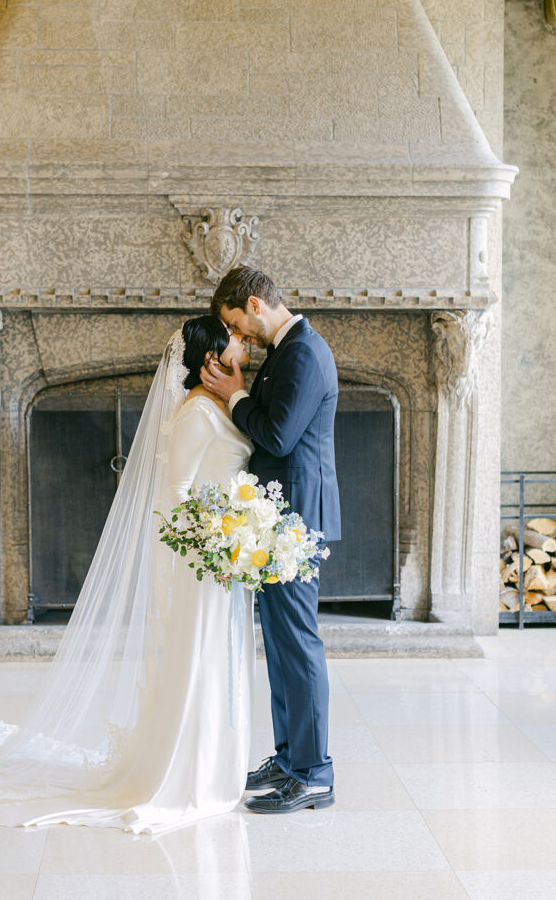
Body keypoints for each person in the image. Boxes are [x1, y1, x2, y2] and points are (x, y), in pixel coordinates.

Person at [0, 316, 256, 835]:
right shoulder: (198, 411)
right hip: (204, 561)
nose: (244, 344)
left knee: (211, 661)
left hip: (219, 558)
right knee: (198, 660)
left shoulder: (220, 401)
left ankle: (209, 763)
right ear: (211, 359)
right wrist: (213, 546)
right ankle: (186, 772)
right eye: (236, 340)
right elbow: (174, 493)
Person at [201, 265, 341, 814]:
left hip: (296, 521)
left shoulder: (304, 352)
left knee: (298, 644)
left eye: (237, 322)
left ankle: (314, 773)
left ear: (255, 305)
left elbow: (279, 436)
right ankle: (289, 760)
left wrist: (235, 396)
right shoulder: (288, 351)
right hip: (279, 518)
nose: (239, 335)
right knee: (281, 645)